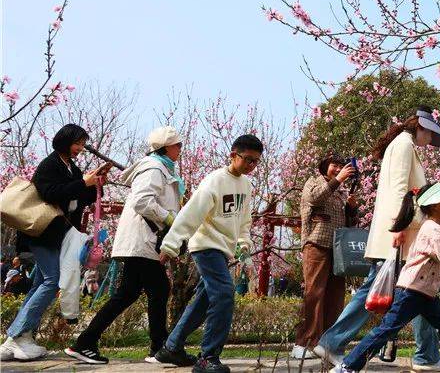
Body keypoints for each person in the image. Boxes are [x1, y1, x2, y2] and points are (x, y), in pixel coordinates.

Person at [314, 107, 440, 371]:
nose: (430, 141)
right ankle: (331, 342)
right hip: (399, 238)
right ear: (419, 127)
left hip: (402, 236)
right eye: (430, 135)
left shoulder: (404, 145)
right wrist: (401, 225)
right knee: (381, 291)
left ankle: (427, 355)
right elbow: (400, 190)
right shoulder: (403, 146)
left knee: (416, 290)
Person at [332, 183, 440, 373]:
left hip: (423, 292)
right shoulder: (432, 230)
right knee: (386, 330)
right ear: (435, 205)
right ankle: (347, 366)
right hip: (412, 291)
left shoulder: (432, 227)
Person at [65, 126, 184, 364]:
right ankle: (159, 348)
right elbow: (142, 201)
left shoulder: (160, 168)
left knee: (129, 293)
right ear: (166, 147)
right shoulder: (153, 168)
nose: (180, 149)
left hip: (141, 241)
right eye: (177, 145)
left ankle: (86, 342)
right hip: (142, 240)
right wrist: (168, 218)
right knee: (157, 290)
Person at [154, 134, 262, 373]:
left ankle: (172, 347)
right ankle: (208, 358)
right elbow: (190, 214)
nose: (251, 166)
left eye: (256, 162)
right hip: (206, 245)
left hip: (223, 249)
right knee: (224, 294)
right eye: (247, 160)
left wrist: (244, 243)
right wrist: (171, 245)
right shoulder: (214, 181)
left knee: (204, 299)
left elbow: (244, 220)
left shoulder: (246, 184)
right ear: (233, 155)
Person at [0, 124, 103, 361]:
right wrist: (82, 183)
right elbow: (49, 193)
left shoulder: (72, 169)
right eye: (77, 143)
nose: (80, 148)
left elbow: (81, 198)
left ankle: (20, 337)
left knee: (39, 284)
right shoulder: (49, 164)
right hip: (41, 233)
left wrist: (96, 184)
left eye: (82, 144)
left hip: (57, 235)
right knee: (51, 280)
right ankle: (15, 335)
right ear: (65, 141)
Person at [291, 153, 358, 358]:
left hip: (338, 248)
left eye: (341, 166)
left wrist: (351, 209)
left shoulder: (339, 193)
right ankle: (303, 343)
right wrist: (339, 179)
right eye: (334, 165)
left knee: (335, 296)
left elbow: (348, 224)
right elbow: (314, 198)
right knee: (315, 292)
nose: (338, 169)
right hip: (317, 243)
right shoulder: (314, 182)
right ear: (324, 167)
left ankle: (326, 343)